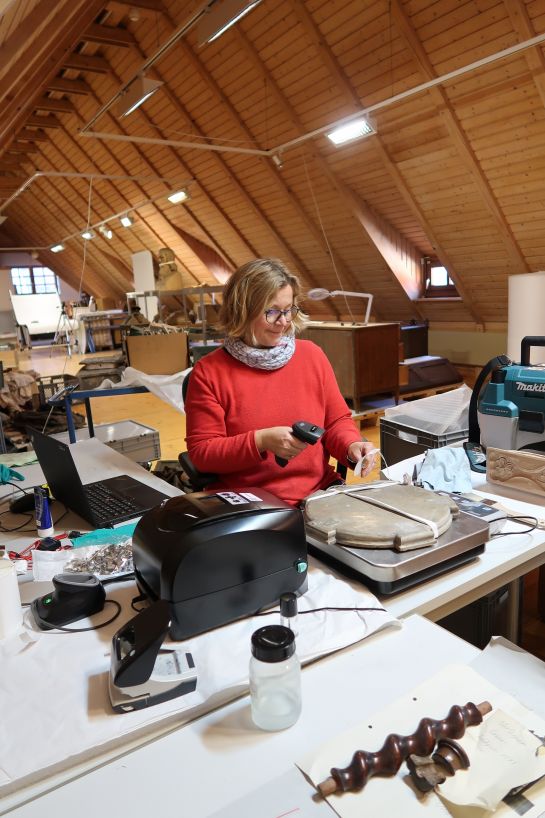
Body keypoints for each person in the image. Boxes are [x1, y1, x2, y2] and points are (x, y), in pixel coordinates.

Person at [184, 258, 376, 506]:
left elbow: (336, 421)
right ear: (242, 311)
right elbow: (202, 453)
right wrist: (260, 441)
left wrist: (352, 444)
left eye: (288, 310)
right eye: (272, 311)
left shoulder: (312, 356)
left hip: (317, 494)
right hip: (248, 502)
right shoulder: (209, 372)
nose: (284, 322)